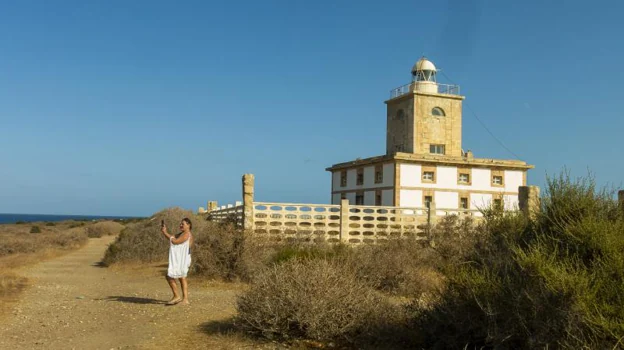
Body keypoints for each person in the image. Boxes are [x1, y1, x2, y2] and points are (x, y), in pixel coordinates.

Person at [160, 218, 193, 305]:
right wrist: (165, 232)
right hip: (183, 258)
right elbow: (172, 237)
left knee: (169, 276)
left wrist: (165, 233)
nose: (181, 225)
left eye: (183, 224)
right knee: (182, 277)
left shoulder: (187, 234)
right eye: (180, 224)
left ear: (188, 225)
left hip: (183, 259)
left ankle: (177, 296)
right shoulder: (183, 234)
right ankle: (185, 299)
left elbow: (175, 241)